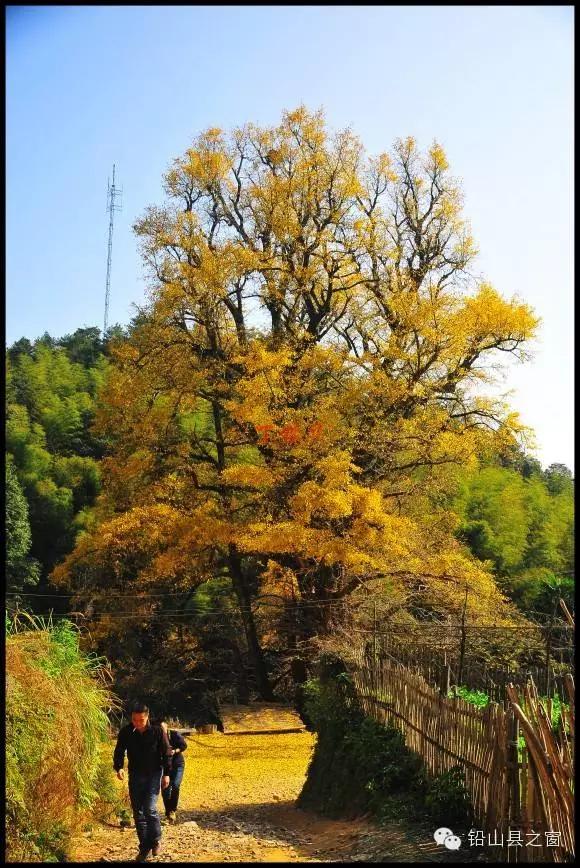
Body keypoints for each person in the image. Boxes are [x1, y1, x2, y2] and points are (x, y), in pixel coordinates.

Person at [113, 701, 173, 862]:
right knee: (138, 812)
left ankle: (156, 840)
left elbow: (167, 752)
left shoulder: (157, 731)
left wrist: (167, 774)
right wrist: (119, 767)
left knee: (150, 808)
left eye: (141, 720)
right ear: (131, 718)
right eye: (134, 720)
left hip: (154, 773)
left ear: (147, 718)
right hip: (135, 774)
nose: (137, 723)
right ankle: (144, 846)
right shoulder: (126, 732)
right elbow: (119, 750)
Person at [154, 716, 188, 823]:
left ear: (166, 727)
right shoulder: (156, 739)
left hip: (177, 764)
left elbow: (184, 745)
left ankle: (173, 810)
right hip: (164, 766)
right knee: (165, 789)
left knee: (176, 785)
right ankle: (168, 811)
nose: (162, 730)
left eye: (163, 728)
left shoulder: (174, 734)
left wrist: (175, 751)